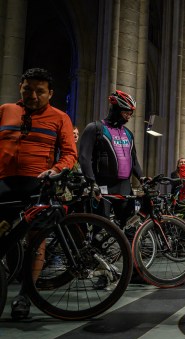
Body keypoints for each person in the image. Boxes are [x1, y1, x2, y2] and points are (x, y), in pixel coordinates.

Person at [0, 68, 77, 320]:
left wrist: (56, 170)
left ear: (50, 94)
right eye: (27, 89)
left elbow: (69, 153)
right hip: (4, 183)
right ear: (20, 87)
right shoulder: (6, 110)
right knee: (7, 240)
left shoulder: (60, 117)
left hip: (38, 184)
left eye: (39, 91)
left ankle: (24, 296)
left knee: (36, 242)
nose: (32, 94)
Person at [79, 90, 144, 229]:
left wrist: (143, 178)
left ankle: (125, 251)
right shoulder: (95, 128)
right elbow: (84, 157)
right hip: (103, 186)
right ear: (116, 109)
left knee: (128, 227)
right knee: (101, 227)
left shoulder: (129, 134)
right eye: (126, 112)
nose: (128, 117)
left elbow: (134, 161)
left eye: (130, 114)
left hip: (124, 187)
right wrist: (92, 182)